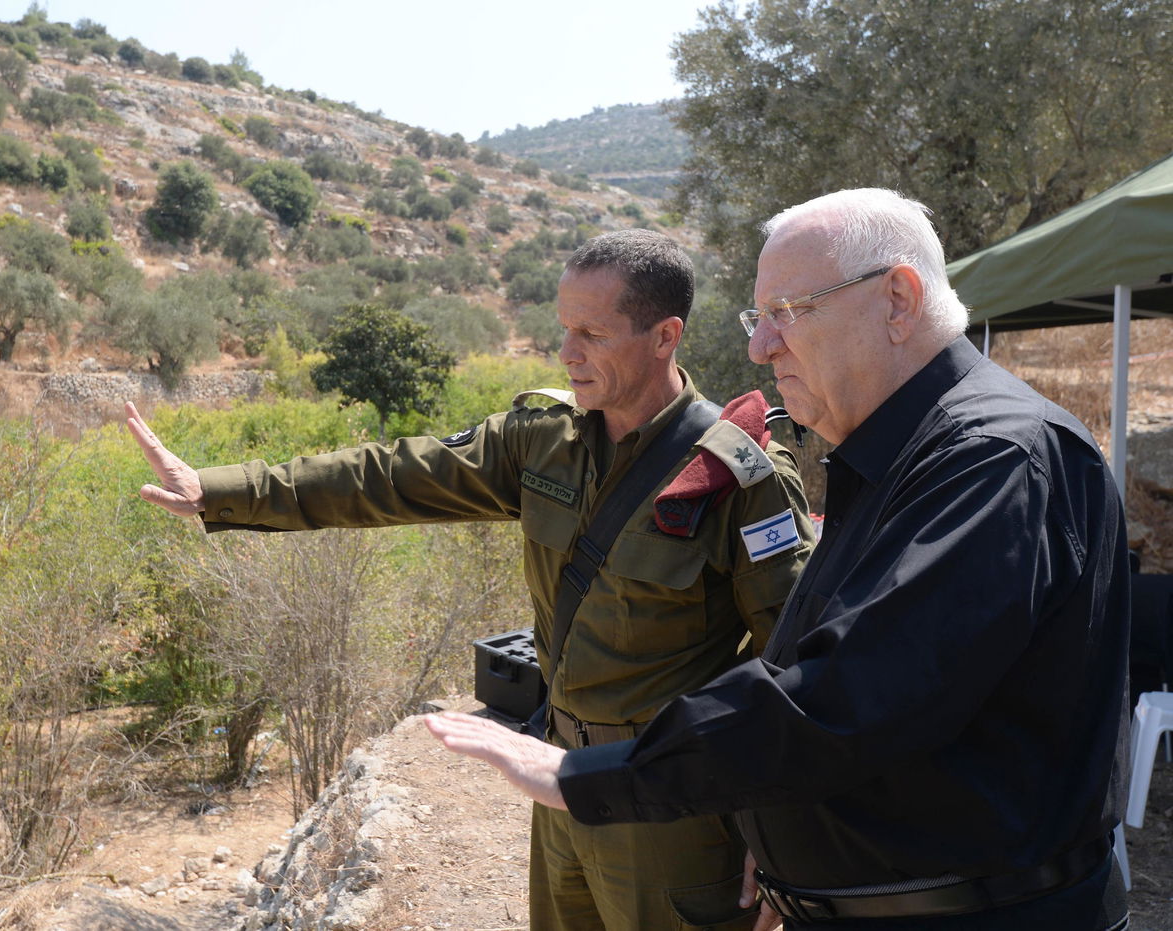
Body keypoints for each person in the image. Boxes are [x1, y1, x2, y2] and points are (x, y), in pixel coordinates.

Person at [427, 189, 1131, 931]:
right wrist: (774, 827)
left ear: (897, 299)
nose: (760, 347)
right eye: (756, 318)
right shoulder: (895, 457)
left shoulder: (994, 458)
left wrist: (590, 774)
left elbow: (844, 698)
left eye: (787, 312)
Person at [127, 228, 815, 930]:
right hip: (559, 781)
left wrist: (779, 832)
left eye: (592, 333)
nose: (567, 351)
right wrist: (219, 490)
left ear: (665, 335)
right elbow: (390, 478)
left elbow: (795, 668)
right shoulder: (545, 438)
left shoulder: (738, 476)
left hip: (673, 809)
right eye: (563, 328)